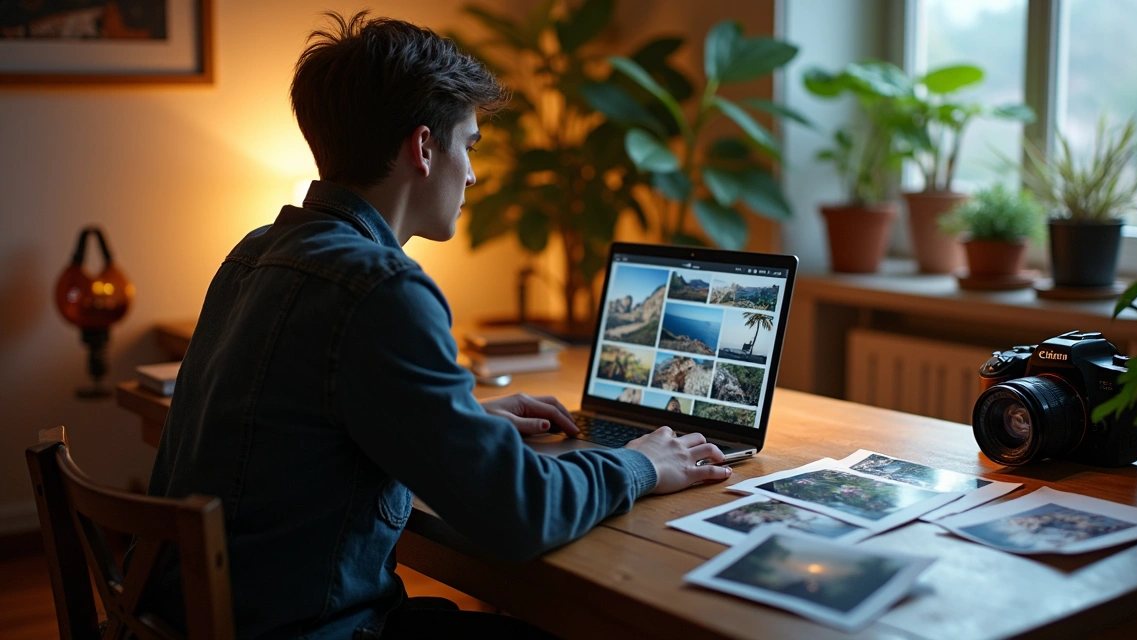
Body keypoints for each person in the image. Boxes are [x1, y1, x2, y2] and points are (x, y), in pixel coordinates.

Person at [141, 11, 732, 639]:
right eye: (470, 145)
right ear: (423, 148)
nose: (473, 173)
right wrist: (640, 463)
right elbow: (519, 513)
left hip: (194, 619)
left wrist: (462, 422)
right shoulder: (380, 288)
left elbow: (305, 426)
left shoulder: (254, 252)